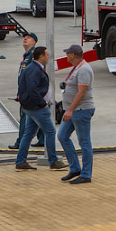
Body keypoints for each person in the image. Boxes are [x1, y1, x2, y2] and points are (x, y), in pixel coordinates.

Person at [14, 46, 67, 172]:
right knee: (50, 131)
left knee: (29, 134)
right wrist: (42, 103)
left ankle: (21, 161)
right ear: (41, 56)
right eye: (47, 55)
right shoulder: (35, 70)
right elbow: (32, 89)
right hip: (37, 107)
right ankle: (53, 161)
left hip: (29, 106)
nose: (49, 57)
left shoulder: (30, 68)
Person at [58, 44, 95, 183]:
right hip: (74, 111)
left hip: (81, 110)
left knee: (84, 141)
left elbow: (81, 93)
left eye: (68, 53)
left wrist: (70, 110)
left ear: (73, 55)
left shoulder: (84, 69)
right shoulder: (77, 68)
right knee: (62, 136)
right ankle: (75, 168)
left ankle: (86, 174)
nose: (66, 55)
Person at [9, 32, 45, 151]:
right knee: (37, 116)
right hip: (29, 92)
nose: (25, 39)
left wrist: (24, 93)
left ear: (34, 42)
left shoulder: (33, 56)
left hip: (29, 93)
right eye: (24, 37)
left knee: (25, 117)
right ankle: (42, 139)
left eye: (28, 38)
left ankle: (20, 142)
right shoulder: (27, 56)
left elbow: (31, 77)